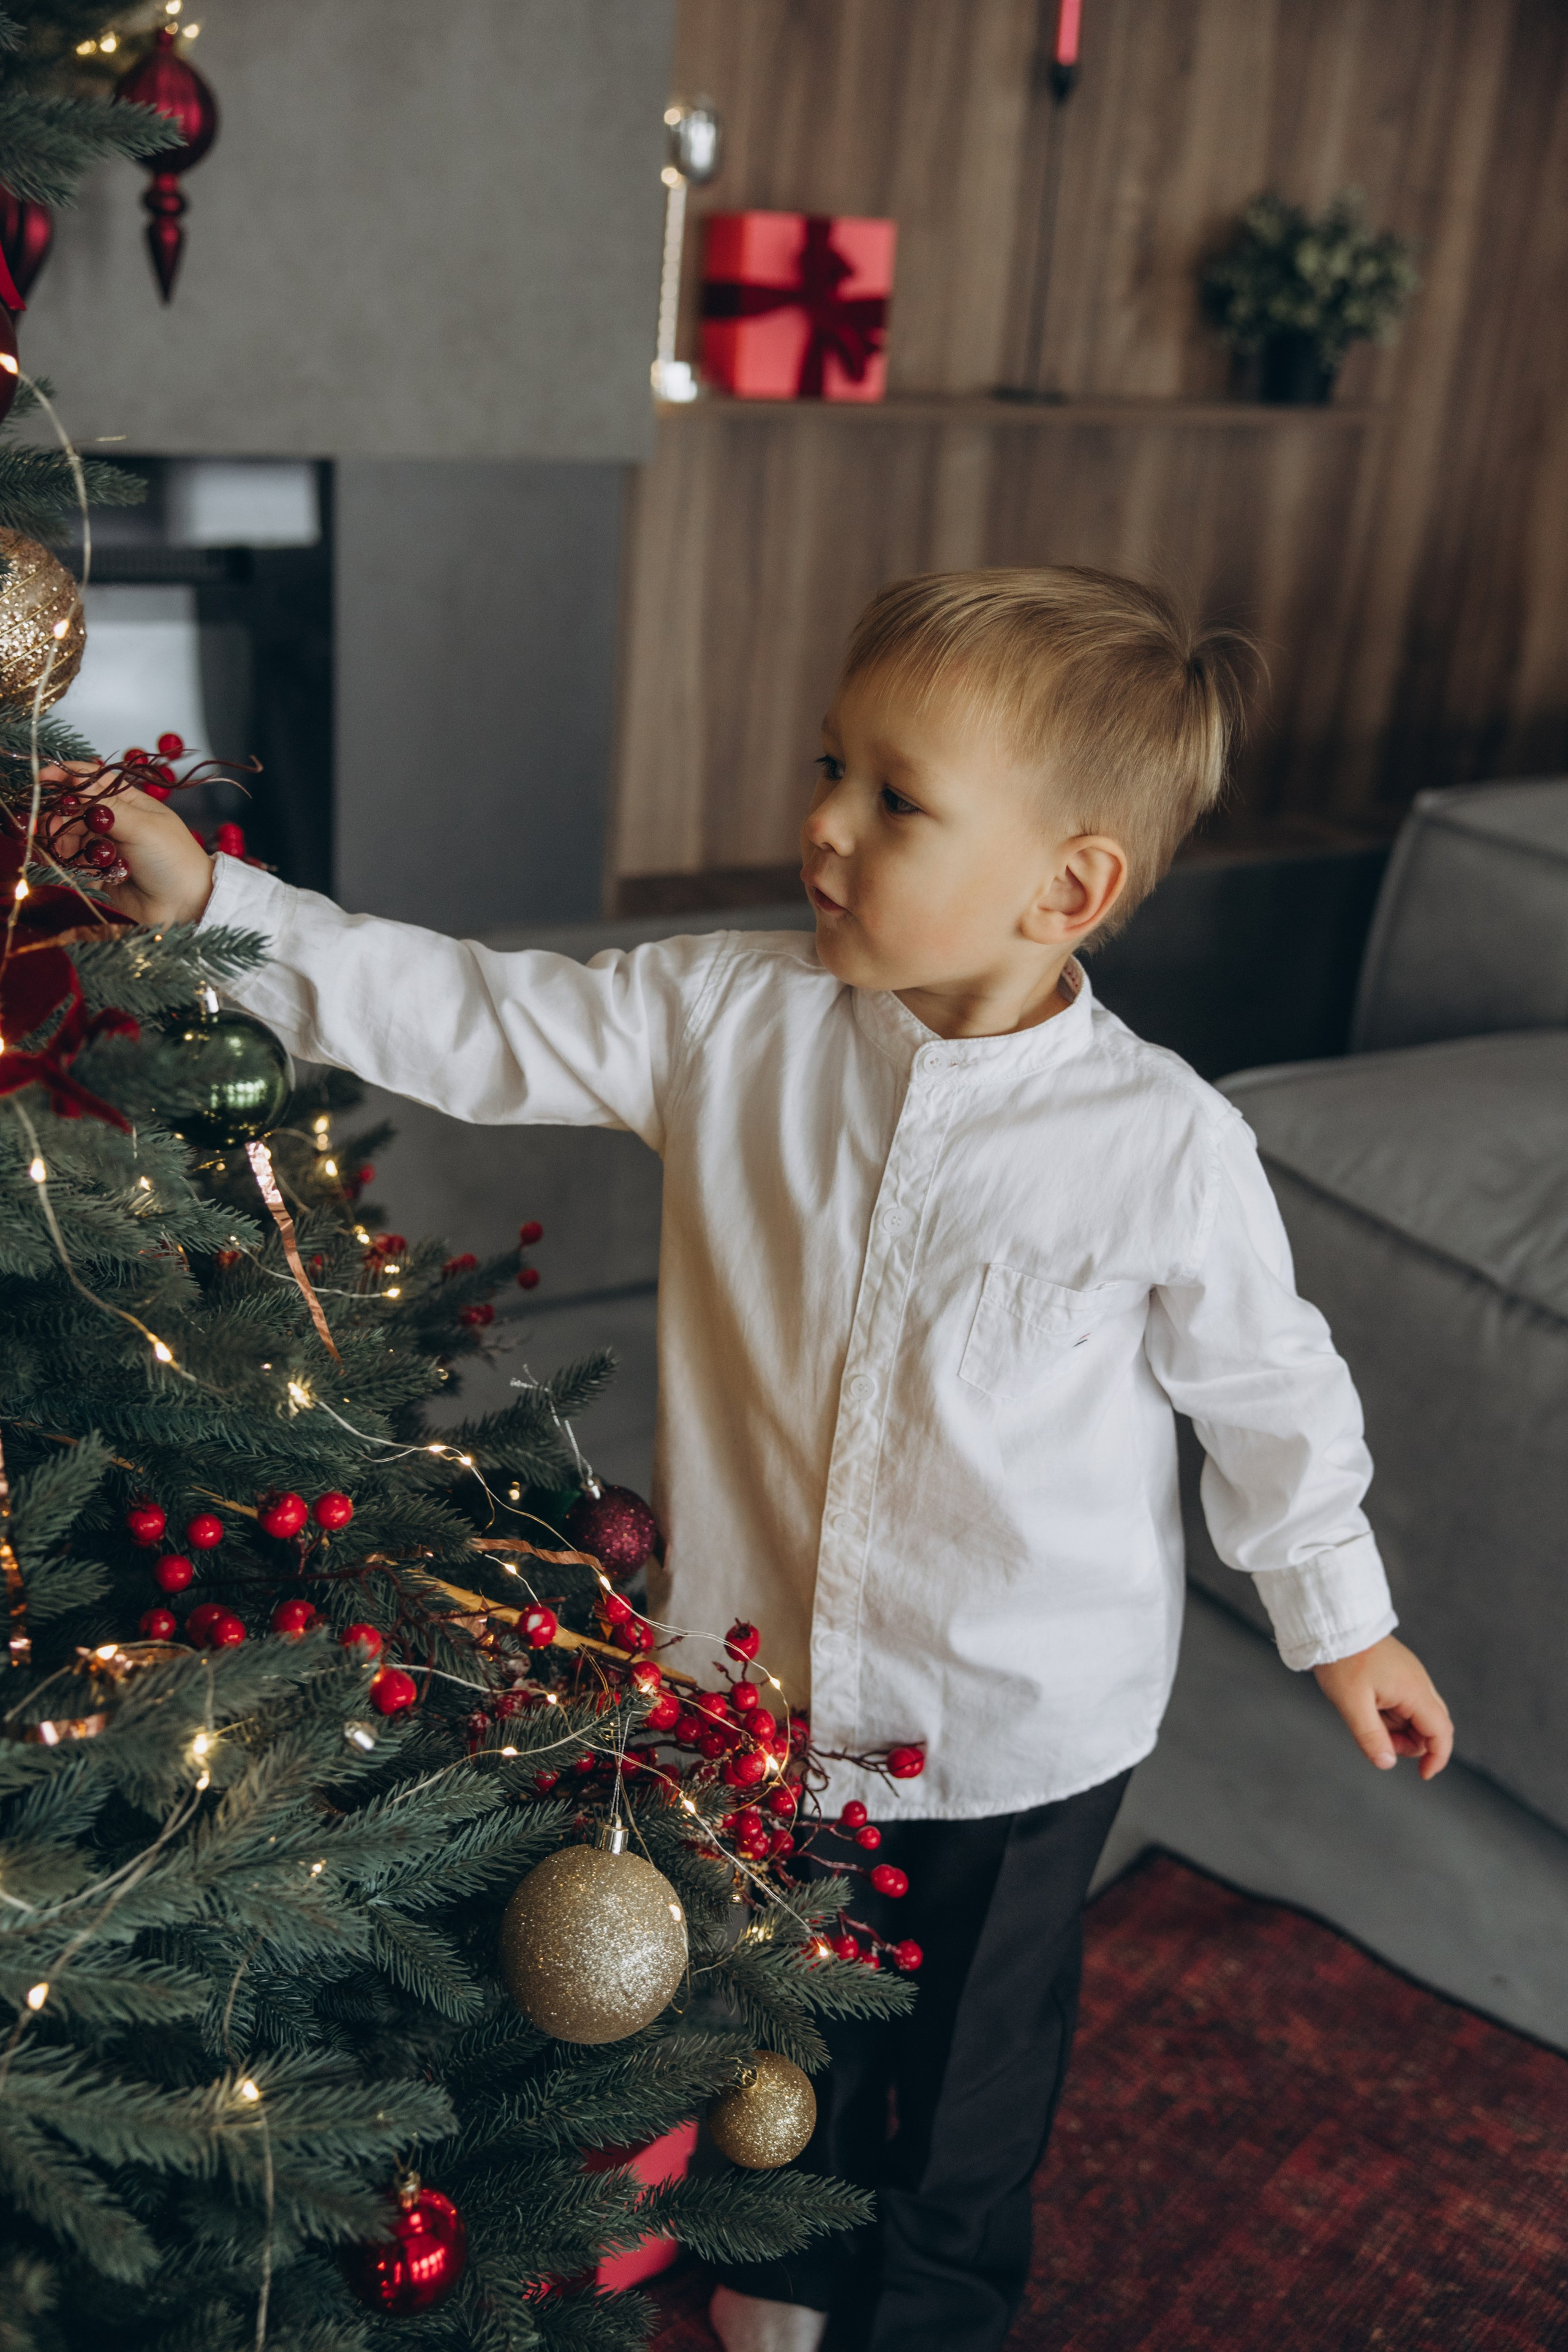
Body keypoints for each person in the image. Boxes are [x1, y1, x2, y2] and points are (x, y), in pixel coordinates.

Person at [92, 567, 1453, 2352]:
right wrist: (222, 906)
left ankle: (936, 2312)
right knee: (765, 2040)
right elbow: (474, 1017)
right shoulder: (731, 1021)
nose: (820, 821)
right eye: (830, 764)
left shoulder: (1160, 1145)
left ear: (1071, 886)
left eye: (895, 798)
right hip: (751, 1693)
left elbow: (1271, 1391)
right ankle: (773, 2287)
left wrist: (1342, 1620)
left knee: (960, 2099)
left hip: (1021, 1729)